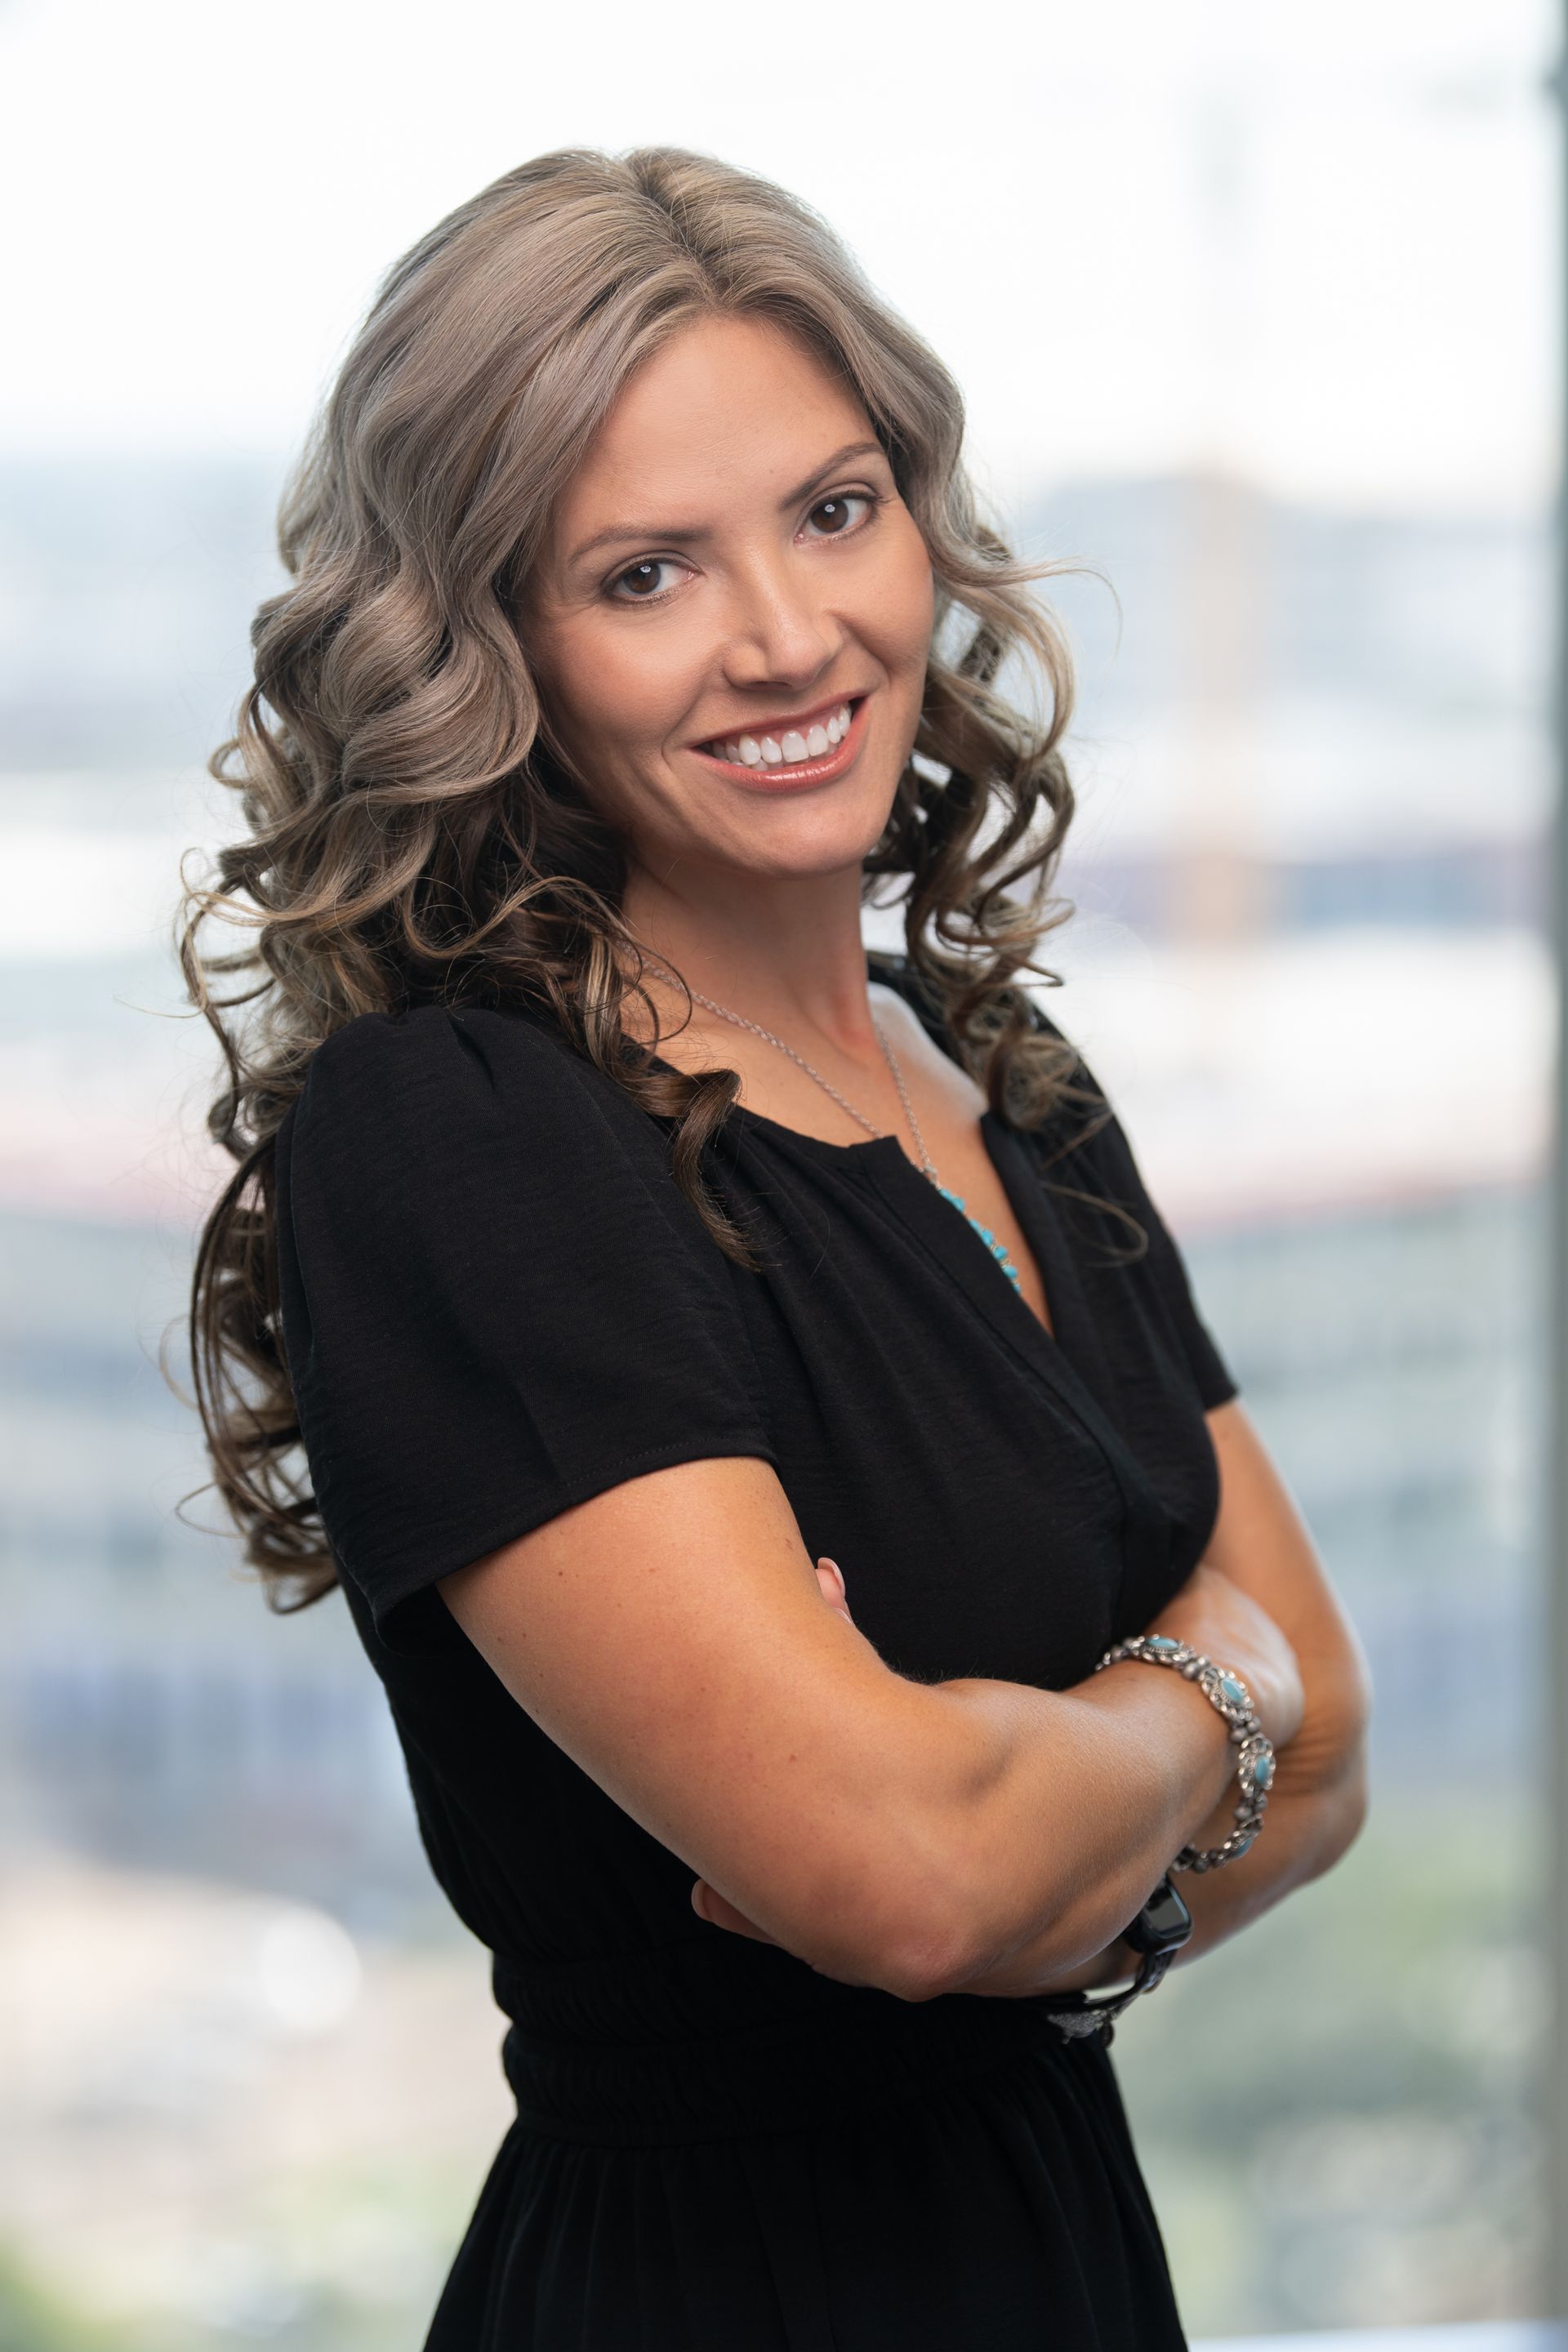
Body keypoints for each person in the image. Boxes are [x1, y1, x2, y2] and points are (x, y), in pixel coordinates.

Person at [183, 145, 1371, 2351]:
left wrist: (1055, 1812)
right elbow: (920, 1874)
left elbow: (1336, 1757)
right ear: (496, 646)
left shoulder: (1006, 1087)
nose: (787, 638)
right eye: (645, 571)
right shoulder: (463, 1131)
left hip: (1063, 2249)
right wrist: (1205, 1695)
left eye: (834, 511)